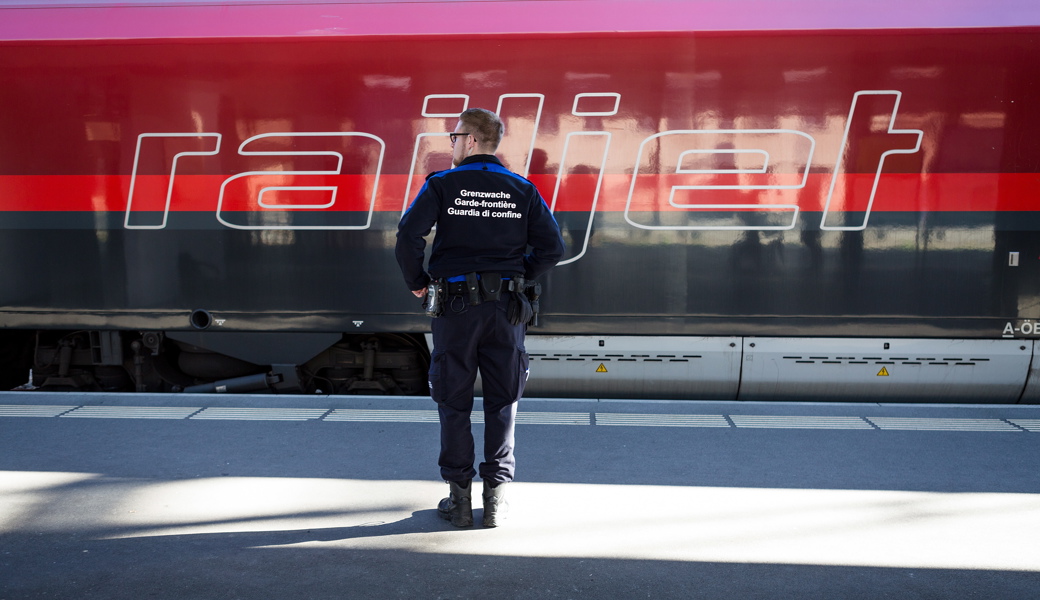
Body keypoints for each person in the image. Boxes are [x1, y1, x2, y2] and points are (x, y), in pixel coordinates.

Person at [395, 108, 565, 527]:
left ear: (470, 140)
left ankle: (458, 500)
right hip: (508, 309)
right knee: (503, 400)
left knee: (453, 401)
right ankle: (495, 502)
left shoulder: (442, 184)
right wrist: (517, 274)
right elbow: (552, 248)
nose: (452, 144)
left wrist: (418, 281)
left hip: (455, 309)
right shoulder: (521, 188)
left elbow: (409, 235)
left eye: (454, 136)